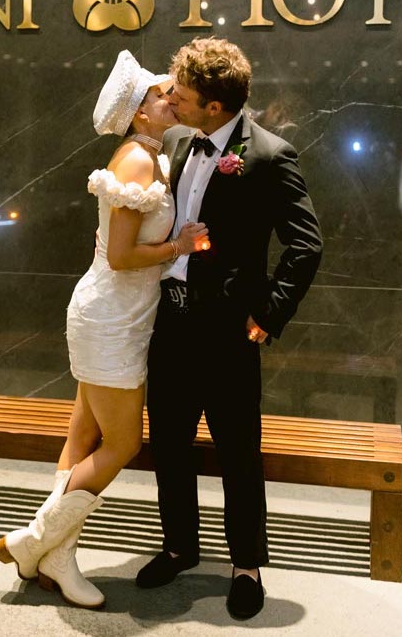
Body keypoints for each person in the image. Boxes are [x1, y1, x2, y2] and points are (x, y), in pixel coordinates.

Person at [0, 50, 208, 608]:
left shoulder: (151, 155)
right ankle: (34, 541)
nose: (172, 98)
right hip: (111, 316)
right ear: (140, 115)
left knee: (82, 438)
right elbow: (119, 256)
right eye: (161, 95)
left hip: (121, 316)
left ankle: (55, 557)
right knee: (123, 442)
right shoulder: (137, 161)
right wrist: (177, 247)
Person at [135, 37, 323, 620]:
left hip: (228, 333)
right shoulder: (171, 141)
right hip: (170, 321)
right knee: (168, 443)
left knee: (239, 453)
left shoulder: (268, 155)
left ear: (215, 107)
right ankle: (179, 547)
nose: (174, 101)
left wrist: (268, 315)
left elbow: (306, 243)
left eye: (183, 95)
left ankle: (246, 565)